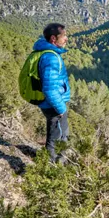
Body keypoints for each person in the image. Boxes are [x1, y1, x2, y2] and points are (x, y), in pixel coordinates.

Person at [33, 23, 71, 163]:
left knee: (55, 136)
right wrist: (61, 109)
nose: (66, 39)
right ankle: (54, 168)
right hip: (54, 106)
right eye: (64, 36)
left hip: (50, 104)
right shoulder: (51, 58)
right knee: (58, 139)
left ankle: (53, 164)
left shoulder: (46, 53)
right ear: (54, 39)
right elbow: (49, 88)